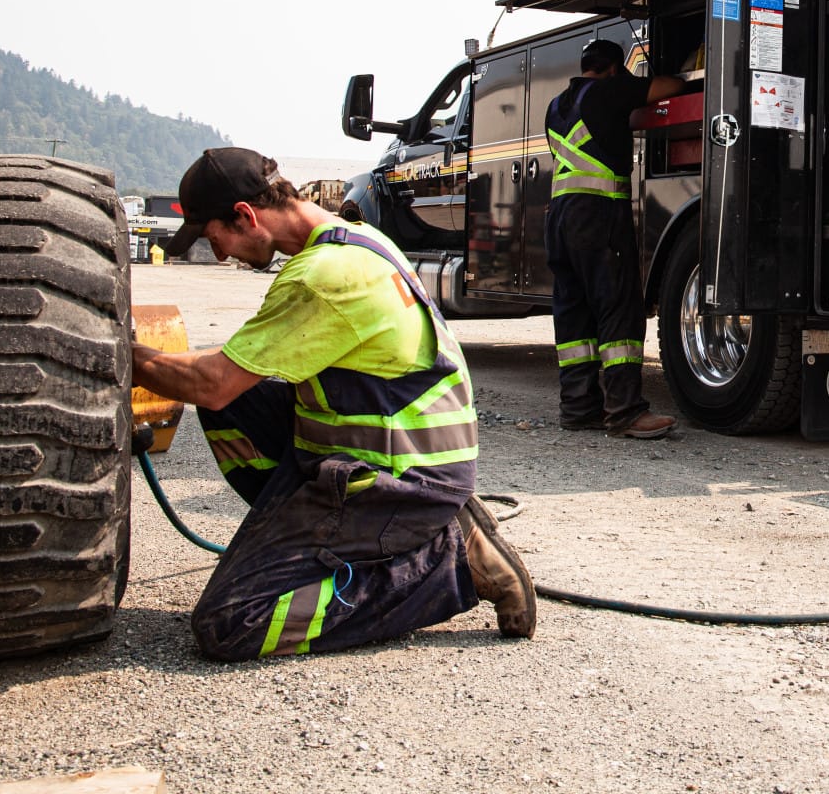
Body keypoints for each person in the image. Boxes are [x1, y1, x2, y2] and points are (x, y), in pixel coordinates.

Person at [131, 147, 535, 659]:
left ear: (245, 215)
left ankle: (450, 563)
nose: (219, 255)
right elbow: (226, 384)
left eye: (217, 239)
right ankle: (310, 534)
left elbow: (212, 381)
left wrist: (126, 356)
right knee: (230, 403)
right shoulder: (356, 239)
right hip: (410, 459)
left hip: (402, 480)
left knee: (232, 621)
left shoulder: (322, 277)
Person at [545, 39, 685, 437]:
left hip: (559, 216)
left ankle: (577, 408)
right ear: (612, 67)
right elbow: (670, 86)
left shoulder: (555, 105)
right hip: (599, 215)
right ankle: (624, 412)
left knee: (574, 313)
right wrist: (634, 80)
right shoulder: (611, 90)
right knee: (618, 308)